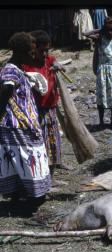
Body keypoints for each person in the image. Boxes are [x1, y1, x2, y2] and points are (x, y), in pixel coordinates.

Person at [0, 32, 51, 211]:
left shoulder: (18, 67)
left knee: (21, 158)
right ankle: (33, 196)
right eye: (30, 52)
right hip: (15, 124)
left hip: (21, 124)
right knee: (26, 157)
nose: (33, 55)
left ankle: (24, 194)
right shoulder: (10, 70)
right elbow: (6, 90)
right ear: (20, 52)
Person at [23, 30, 64, 179]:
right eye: (42, 50)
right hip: (35, 109)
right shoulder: (27, 65)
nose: (46, 53)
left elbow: (57, 63)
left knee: (52, 138)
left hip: (50, 106)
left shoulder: (49, 60)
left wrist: (57, 66)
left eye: (48, 50)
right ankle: (41, 171)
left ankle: (52, 169)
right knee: (39, 140)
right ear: (34, 48)